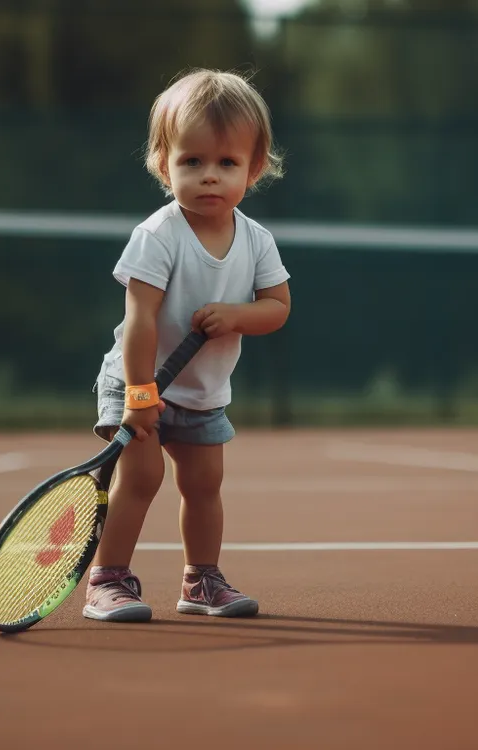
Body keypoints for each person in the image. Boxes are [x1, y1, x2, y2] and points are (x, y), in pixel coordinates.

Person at [81, 69, 292, 623]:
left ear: (255, 167)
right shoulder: (158, 235)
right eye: (191, 161)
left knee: (204, 484)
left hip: (202, 390)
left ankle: (201, 581)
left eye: (227, 163)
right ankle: (108, 581)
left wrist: (238, 316)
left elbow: (278, 307)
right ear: (162, 162)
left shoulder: (257, 240)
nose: (209, 176)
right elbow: (141, 318)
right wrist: (140, 392)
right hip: (138, 380)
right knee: (143, 477)